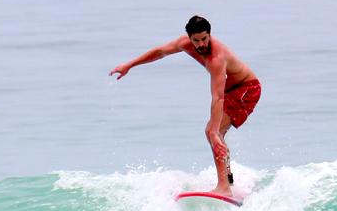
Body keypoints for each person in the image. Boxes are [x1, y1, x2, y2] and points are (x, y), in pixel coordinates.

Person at [109, 15, 261, 198]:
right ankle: (228, 181)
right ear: (189, 38)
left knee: (214, 131)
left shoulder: (217, 59)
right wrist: (130, 65)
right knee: (213, 132)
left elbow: (217, 97)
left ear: (210, 35)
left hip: (246, 88)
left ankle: (224, 187)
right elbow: (160, 52)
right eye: (196, 40)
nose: (201, 44)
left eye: (204, 39)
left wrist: (214, 131)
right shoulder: (185, 43)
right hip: (229, 90)